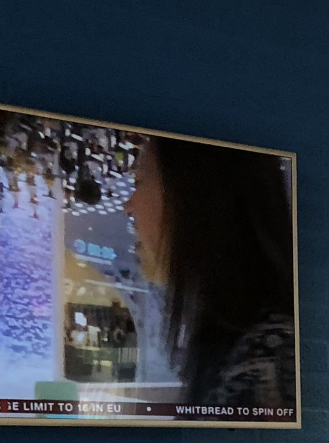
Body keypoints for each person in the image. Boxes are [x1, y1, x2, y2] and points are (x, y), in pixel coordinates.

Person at [124, 135, 294, 409]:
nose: (128, 207)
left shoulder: (261, 362)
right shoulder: (252, 349)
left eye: (139, 182)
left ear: (192, 196)